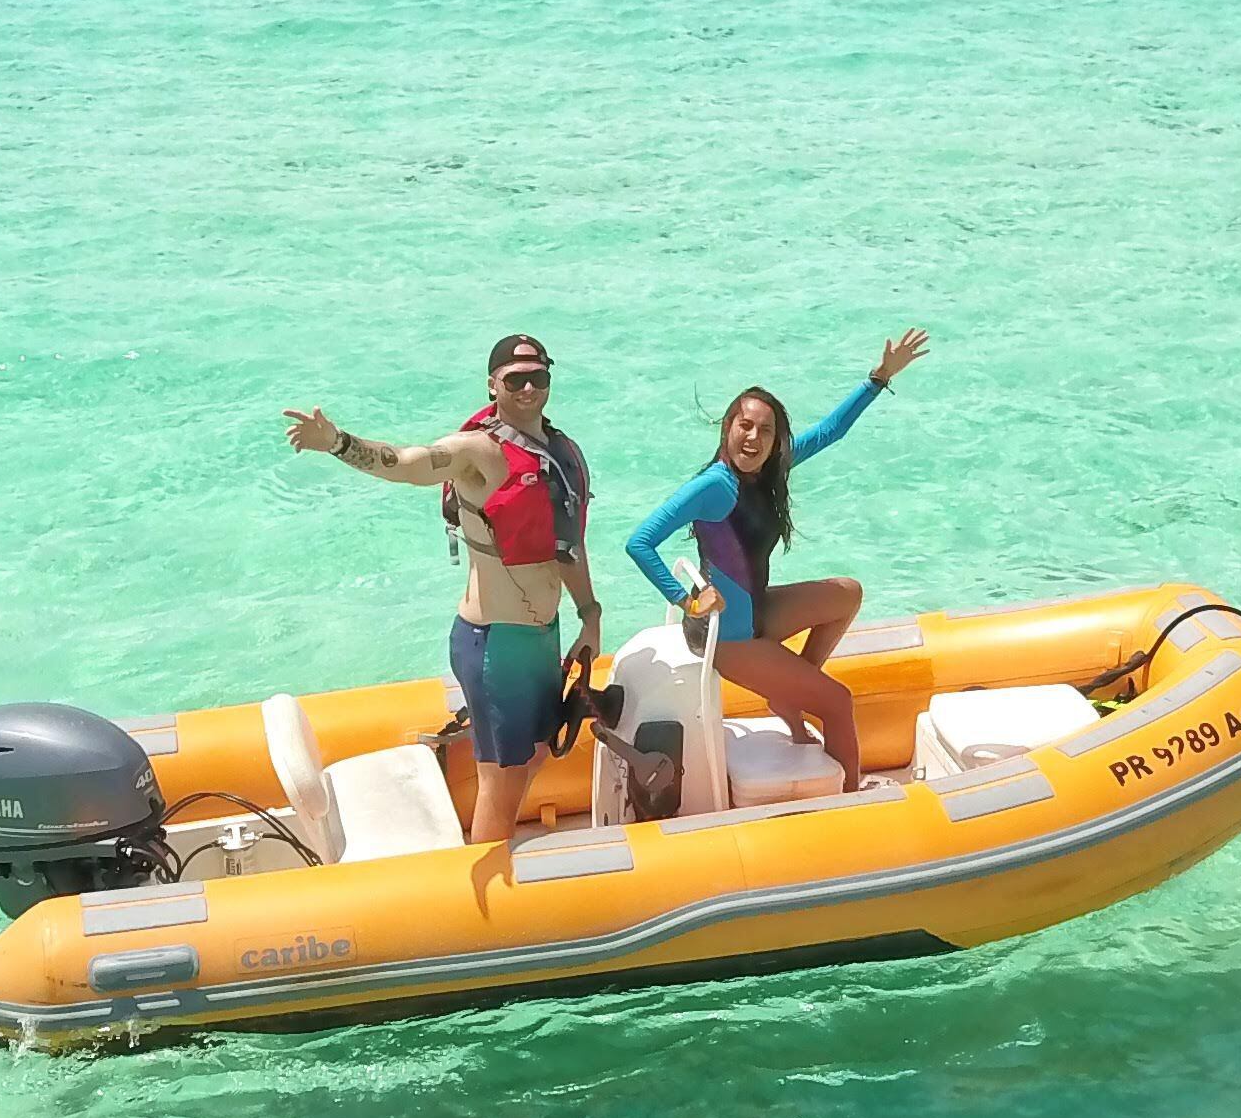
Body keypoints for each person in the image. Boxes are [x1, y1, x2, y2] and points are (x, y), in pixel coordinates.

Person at [285, 334, 604, 847]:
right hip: (496, 643)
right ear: (492, 385)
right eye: (514, 379)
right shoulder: (477, 452)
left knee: (538, 749)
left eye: (537, 377)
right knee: (502, 786)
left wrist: (590, 613)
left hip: (543, 634)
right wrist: (339, 442)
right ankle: (489, 901)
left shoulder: (559, 451)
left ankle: (488, 824)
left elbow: (568, 544)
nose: (527, 388)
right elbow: (407, 462)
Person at [625, 330, 931, 793]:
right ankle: (850, 795)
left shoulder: (771, 469)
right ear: (727, 428)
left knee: (846, 593)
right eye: (744, 425)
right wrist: (687, 600)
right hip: (731, 638)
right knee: (837, 702)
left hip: (755, 611)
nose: (753, 437)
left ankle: (789, 698)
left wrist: (879, 378)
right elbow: (640, 541)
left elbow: (831, 431)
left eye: (765, 430)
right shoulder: (715, 486)